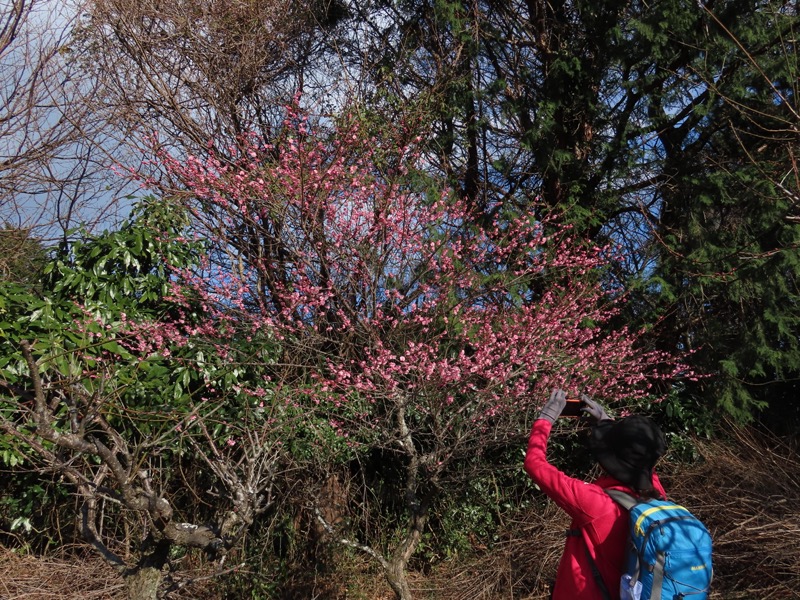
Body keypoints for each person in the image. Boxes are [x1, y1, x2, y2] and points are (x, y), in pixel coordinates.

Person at [523, 389, 668, 600]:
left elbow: (534, 464)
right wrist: (607, 424)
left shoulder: (595, 503)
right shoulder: (658, 497)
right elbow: (643, 462)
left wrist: (545, 420)